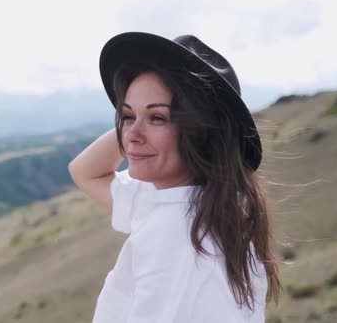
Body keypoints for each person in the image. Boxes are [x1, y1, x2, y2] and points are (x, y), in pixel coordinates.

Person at [68, 32, 282, 322]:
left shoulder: (178, 234)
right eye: (127, 116)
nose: (132, 134)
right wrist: (141, 121)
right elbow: (85, 172)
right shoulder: (202, 205)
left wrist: (138, 120)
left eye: (159, 118)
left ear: (202, 132)